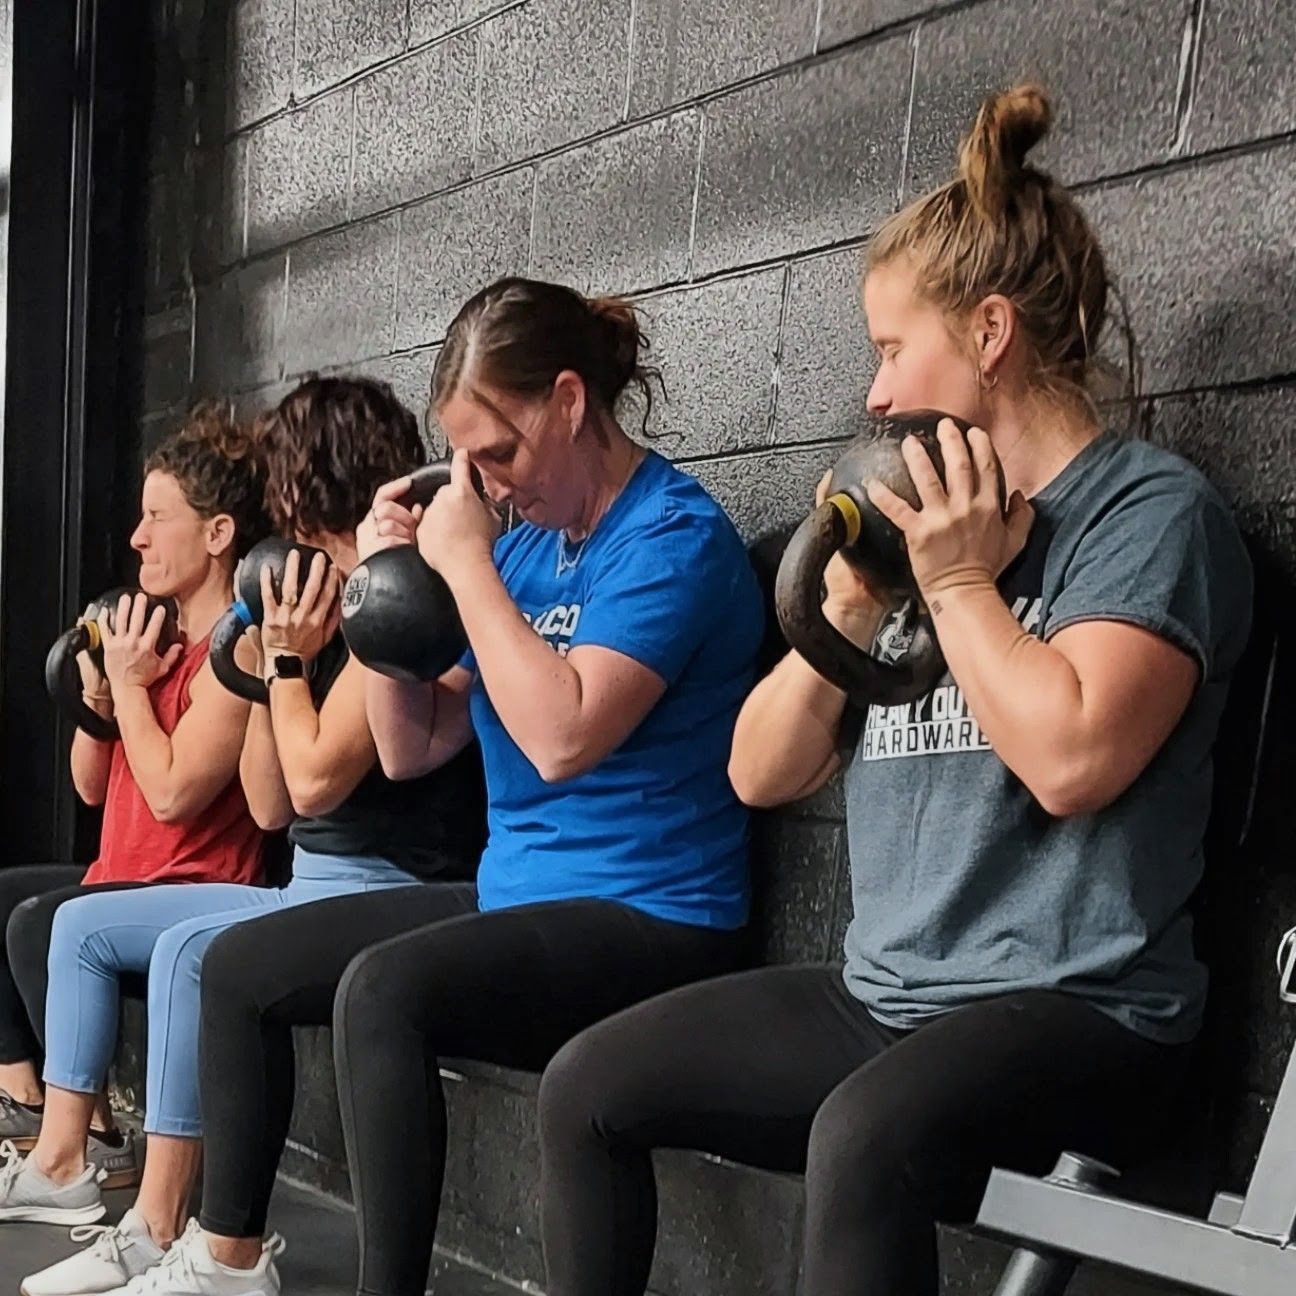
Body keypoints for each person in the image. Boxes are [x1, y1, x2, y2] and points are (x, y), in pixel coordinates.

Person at [534, 84, 1254, 1296]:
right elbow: (757, 773)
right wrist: (858, 605)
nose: (873, 395)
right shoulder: (908, 532)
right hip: (891, 997)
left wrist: (959, 582)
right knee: (586, 1088)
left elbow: (1074, 759)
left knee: (863, 1139)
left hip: (1088, 1015)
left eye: (888, 350)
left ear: (986, 334)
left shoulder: (1148, 516)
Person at [86, 275, 763, 1296]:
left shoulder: (672, 536)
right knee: (243, 966)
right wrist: (393, 598)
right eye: (471, 461)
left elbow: (563, 737)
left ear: (570, 404)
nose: (489, 483)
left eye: (501, 453)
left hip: (653, 910)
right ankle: (226, 1259)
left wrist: (469, 569)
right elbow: (416, 742)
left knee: (385, 991)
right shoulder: (524, 542)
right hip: (523, 895)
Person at [7, 378, 483, 1296]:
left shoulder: (396, 598)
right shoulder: (301, 599)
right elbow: (272, 806)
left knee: (195, 952)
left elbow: (312, 777)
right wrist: (270, 657)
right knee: (76, 924)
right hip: (310, 878)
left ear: (304, 484)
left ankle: (187, 1233)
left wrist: (290, 659)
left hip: (393, 886)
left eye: (279, 483)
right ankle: (100, 1191)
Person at [0, 404, 269, 1181]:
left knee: (39, 921)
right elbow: (91, 789)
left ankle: (73, 1145)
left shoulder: (235, 653)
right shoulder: (158, 645)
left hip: (192, 887)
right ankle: (82, 1126)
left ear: (217, 535)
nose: (137, 539)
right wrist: (105, 699)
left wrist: (131, 688)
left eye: (157, 519)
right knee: (13, 904)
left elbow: (173, 796)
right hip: (121, 873)